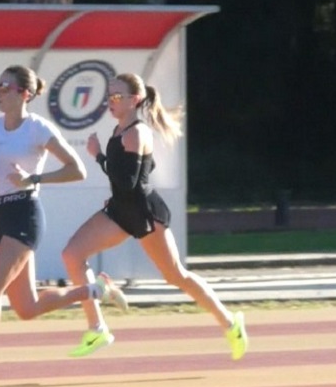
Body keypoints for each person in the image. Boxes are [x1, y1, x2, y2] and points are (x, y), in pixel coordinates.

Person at [0, 65, 128, 387]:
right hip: (1, 216)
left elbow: (76, 170)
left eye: (5, 86)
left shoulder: (38, 128)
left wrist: (34, 179)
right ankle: (95, 290)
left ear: (24, 94)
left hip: (25, 217)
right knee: (27, 308)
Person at [61, 72, 248, 360]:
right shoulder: (119, 131)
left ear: (134, 100)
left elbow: (129, 182)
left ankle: (230, 324)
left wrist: (98, 156)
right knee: (72, 254)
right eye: (108, 96)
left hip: (144, 215)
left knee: (177, 276)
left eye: (116, 96)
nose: (110, 101)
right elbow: (134, 175)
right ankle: (97, 328)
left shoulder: (137, 132)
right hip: (120, 211)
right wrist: (114, 185)